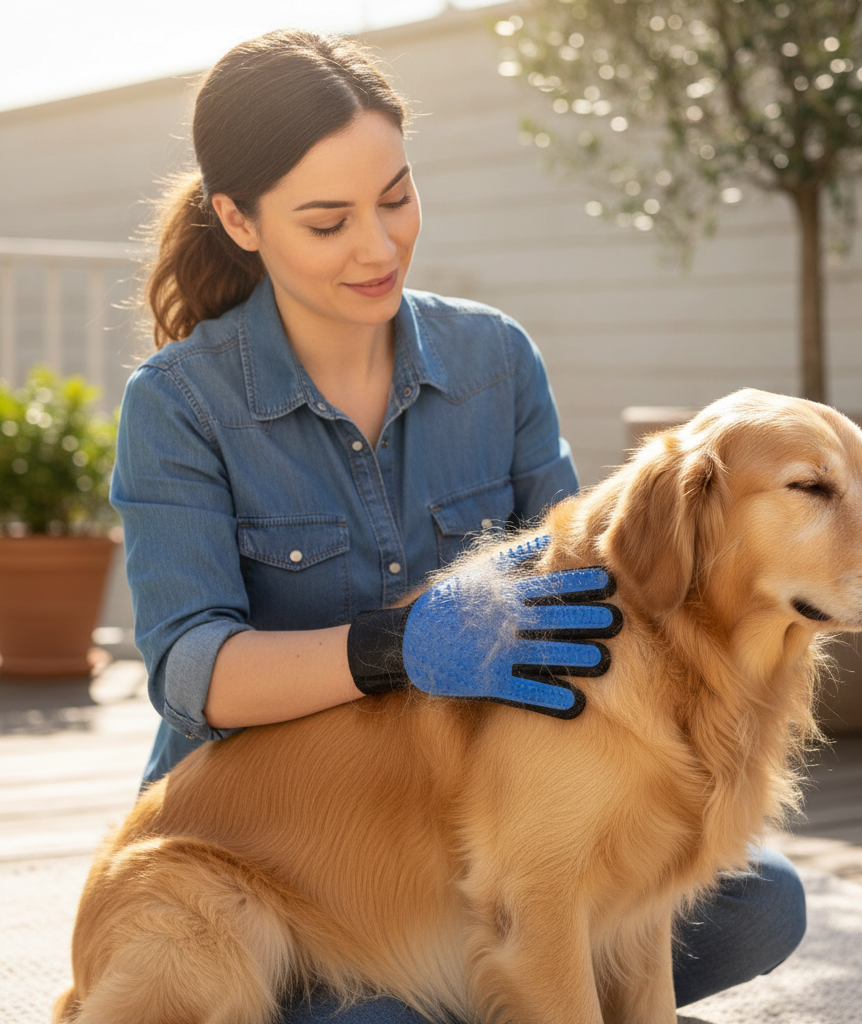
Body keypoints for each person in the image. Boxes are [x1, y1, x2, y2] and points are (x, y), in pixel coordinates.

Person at [111, 29, 806, 1023]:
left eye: (396, 197)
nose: (378, 246)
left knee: (759, 904)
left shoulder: (496, 360)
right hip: (286, 856)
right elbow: (192, 670)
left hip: (488, 810)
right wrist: (393, 648)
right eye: (328, 221)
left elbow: (582, 581)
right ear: (239, 219)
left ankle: (486, 963)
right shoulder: (178, 402)